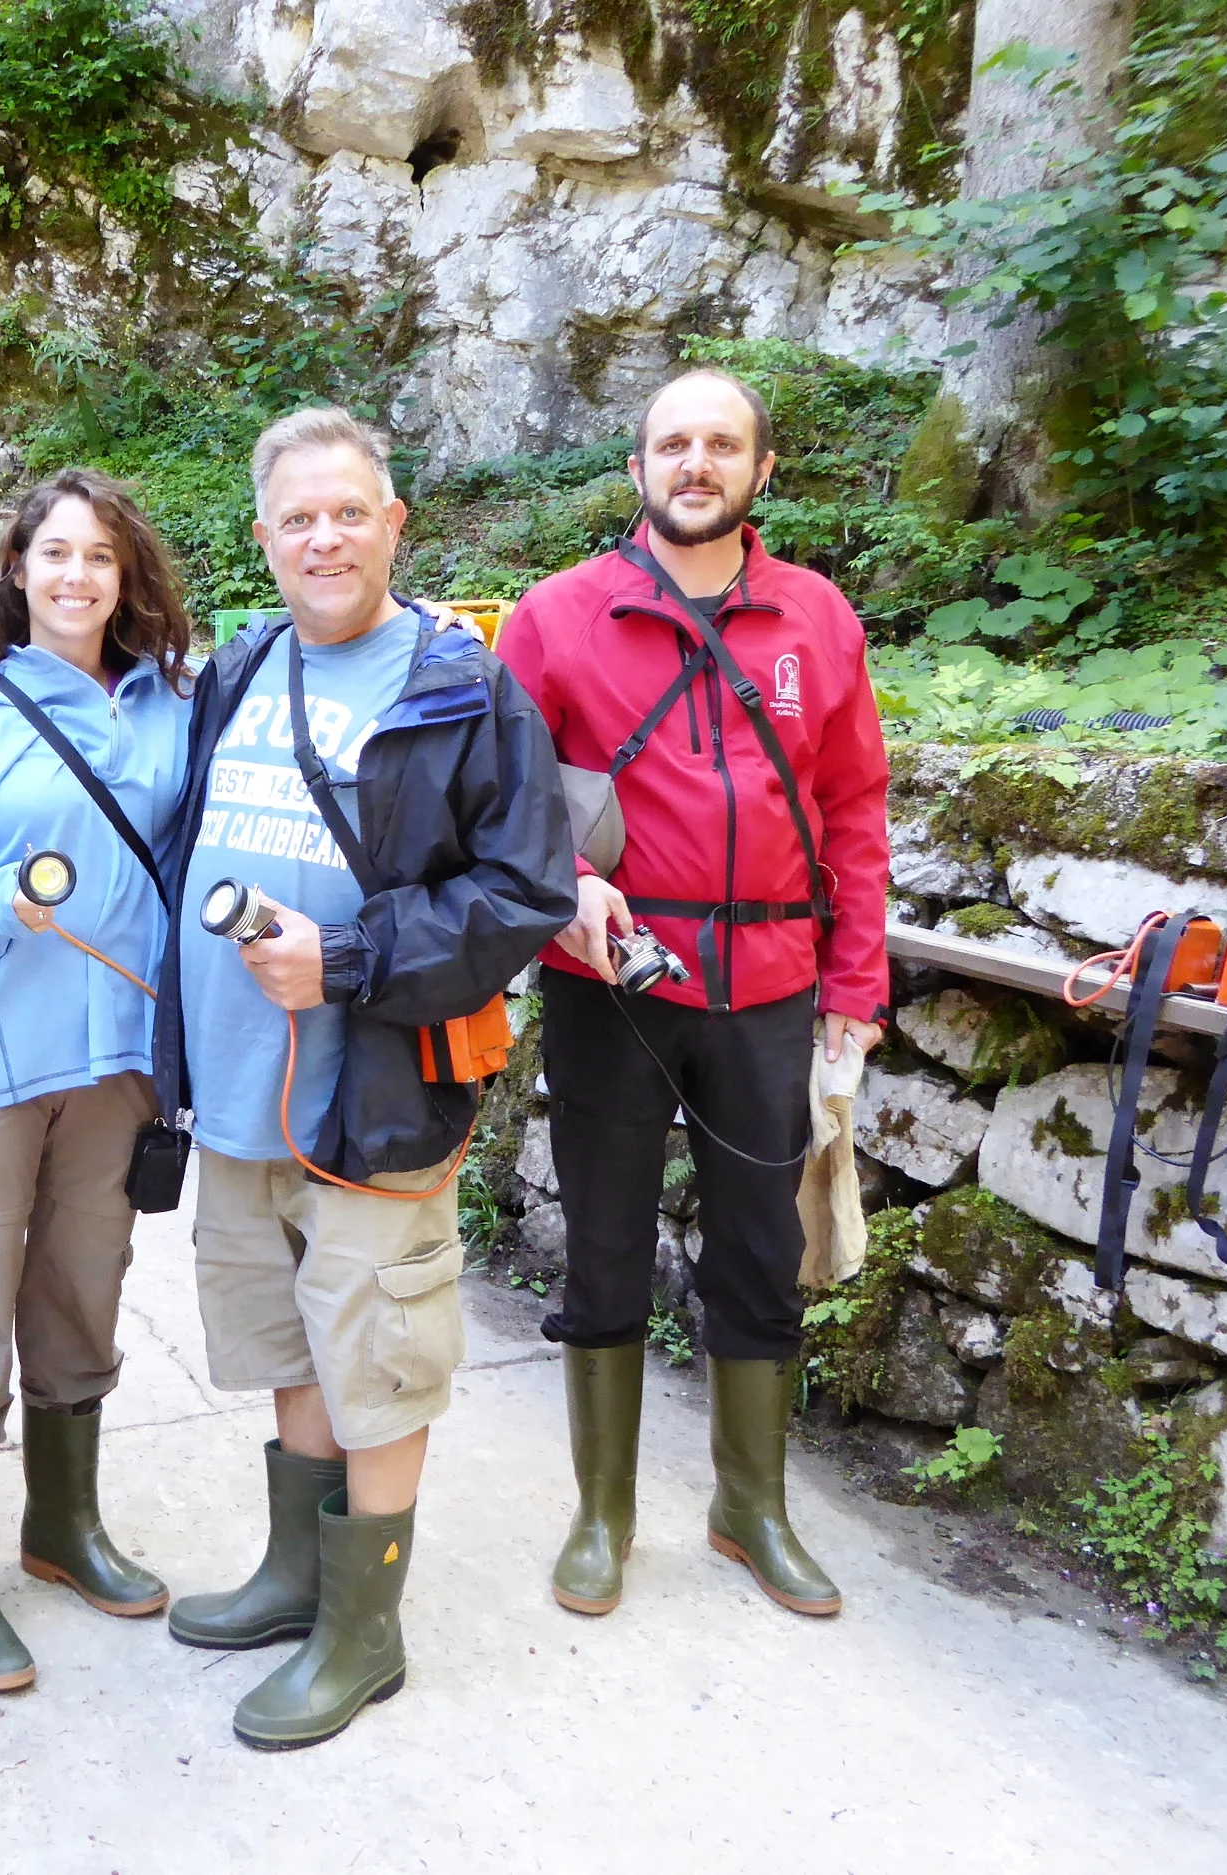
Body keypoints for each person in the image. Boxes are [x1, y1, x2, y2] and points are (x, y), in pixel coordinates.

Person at [153, 407, 575, 1748]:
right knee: (290, 1338)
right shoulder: (244, 664)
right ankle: (295, 1573)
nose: (323, 537)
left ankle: (363, 1631)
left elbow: (524, 890)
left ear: (394, 524)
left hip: (376, 1089)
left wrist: (345, 955)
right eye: (297, 518)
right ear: (264, 538)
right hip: (237, 1085)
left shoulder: (463, 684)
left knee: (378, 1357)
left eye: (349, 512)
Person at [495, 367, 890, 1621]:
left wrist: (855, 983)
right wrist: (563, 887)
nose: (695, 464)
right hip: (611, 981)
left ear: (760, 472)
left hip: (772, 982)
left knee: (762, 1249)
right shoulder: (555, 619)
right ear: (637, 471)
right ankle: (601, 1513)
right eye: (673, 443)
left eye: (722, 444)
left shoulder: (818, 619)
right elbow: (504, 809)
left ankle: (748, 1508)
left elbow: (854, 811)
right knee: (602, 1241)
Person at [0, 467, 197, 1692]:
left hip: (122, 1052)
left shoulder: (172, 707)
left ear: (128, 580)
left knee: (83, 1283)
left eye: (99, 558)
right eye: (52, 554)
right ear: (15, 571)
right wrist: (2, 903)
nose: (75, 576)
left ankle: (61, 1526)